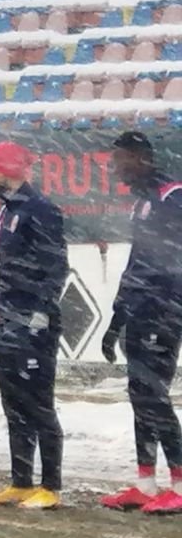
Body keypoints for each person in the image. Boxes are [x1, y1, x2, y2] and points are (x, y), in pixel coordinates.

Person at [0, 142, 68, 511]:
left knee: (38, 403)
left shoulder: (41, 210)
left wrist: (42, 312)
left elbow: (56, 265)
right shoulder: (5, 210)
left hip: (33, 320)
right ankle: (20, 481)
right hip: (10, 316)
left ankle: (51, 485)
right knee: (13, 403)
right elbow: (7, 269)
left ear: (10, 171)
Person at [99, 132, 182, 514]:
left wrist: (167, 304)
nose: (116, 170)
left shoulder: (172, 196)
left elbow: (171, 259)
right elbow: (137, 262)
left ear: (141, 158)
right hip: (140, 311)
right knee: (139, 394)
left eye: (120, 162)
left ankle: (179, 484)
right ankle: (146, 482)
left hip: (164, 310)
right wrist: (117, 317)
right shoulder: (143, 203)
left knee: (154, 396)